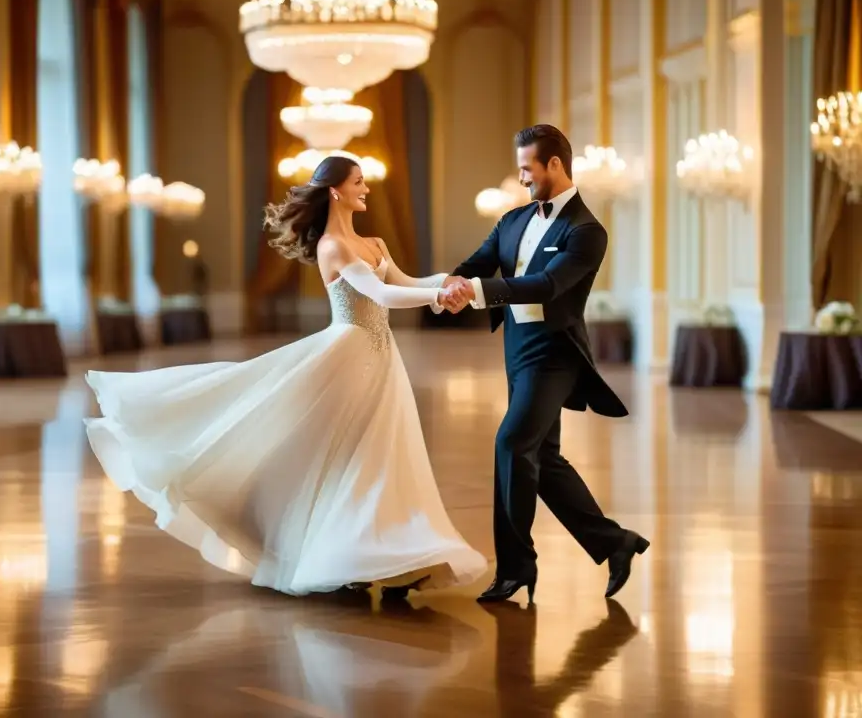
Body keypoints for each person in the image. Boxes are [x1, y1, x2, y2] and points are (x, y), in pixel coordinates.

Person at [85, 155, 487, 599]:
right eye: (358, 182)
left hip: (381, 357)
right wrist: (437, 295)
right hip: (347, 357)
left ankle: (389, 558)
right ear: (336, 191)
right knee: (347, 456)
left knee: (379, 454)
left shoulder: (374, 242)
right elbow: (380, 293)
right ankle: (348, 559)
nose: (366, 189)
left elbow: (405, 279)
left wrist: (452, 283)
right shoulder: (333, 247)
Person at [438, 124, 648, 604]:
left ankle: (515, 567)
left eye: (527, 168)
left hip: (555, 355)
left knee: (512, 442)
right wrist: (451, 283)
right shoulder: (511, 221)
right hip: (517, 348)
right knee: (542, 458)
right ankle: (616, 544)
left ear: (555, 164)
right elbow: (476, 263)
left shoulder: (587, 231)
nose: (522, 177)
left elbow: (548, 285)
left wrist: (476, 293)